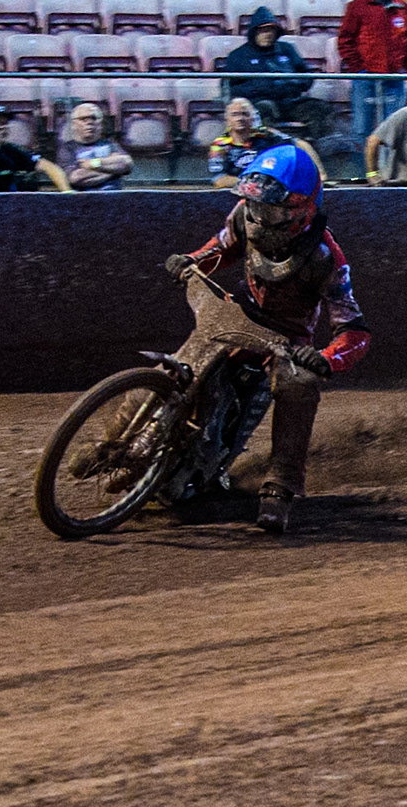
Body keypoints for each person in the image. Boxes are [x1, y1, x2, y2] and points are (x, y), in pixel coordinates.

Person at [163, 144, 370, 533]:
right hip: (239, 313)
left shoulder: (327, 256)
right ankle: (119, 434)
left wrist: (326, 357)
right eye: (255, 205)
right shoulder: (245, 215)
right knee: (183, 362)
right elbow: (220, 248)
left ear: (300, 209)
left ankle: (280, 486)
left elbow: (354, 329)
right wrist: (190, 261)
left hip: (286, 339)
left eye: (271, 208)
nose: (260, 215)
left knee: (298, 383)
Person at [219, 7, 332, 139]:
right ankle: (264, 150)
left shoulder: (287, 49)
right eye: (263, 30)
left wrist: (292, 83)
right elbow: (229, 89)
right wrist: (258, 87)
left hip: (290, 100)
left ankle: (319, 149)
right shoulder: (238, 56)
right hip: (261, 102)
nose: (268, 34)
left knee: (318, 108)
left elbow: (307, 76)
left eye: (271, 30)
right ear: (254, 32)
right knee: (258, 113)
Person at [338, 0, 407, 138]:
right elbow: (345, 40)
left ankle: (391, 160)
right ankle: (362, 160)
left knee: (395, 128)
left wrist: (403, 66)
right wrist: (359, 68)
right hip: (365, 79)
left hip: (394, 78)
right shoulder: (357, 6)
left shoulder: (403, 8)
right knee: (362, 127)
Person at [207, 98, 325, 189]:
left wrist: (320, 175)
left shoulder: (265, 134)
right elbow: (219, 179)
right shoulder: (220, 145)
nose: (240, 118)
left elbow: (300, 144)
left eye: (245, 114)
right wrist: (253, 184)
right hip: (239, 192)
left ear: (252, 118)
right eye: (235, 114)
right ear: (227, 119)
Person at [56, 103, 133, 191]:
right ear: (74, 124)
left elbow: (127, 163)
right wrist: (115, 171)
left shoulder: (110, 144)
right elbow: (76, 178)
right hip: (82, 201)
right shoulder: (67, 149)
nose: (89, 122)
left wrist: (93, 163)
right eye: (84, 119)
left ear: (100, 124)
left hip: (112, 199)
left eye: (94, 118)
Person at [0, 117, 73, 192]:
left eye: (2, 128)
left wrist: (67, 192)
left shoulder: (10, 150)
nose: (2, 132)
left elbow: (49, 167)